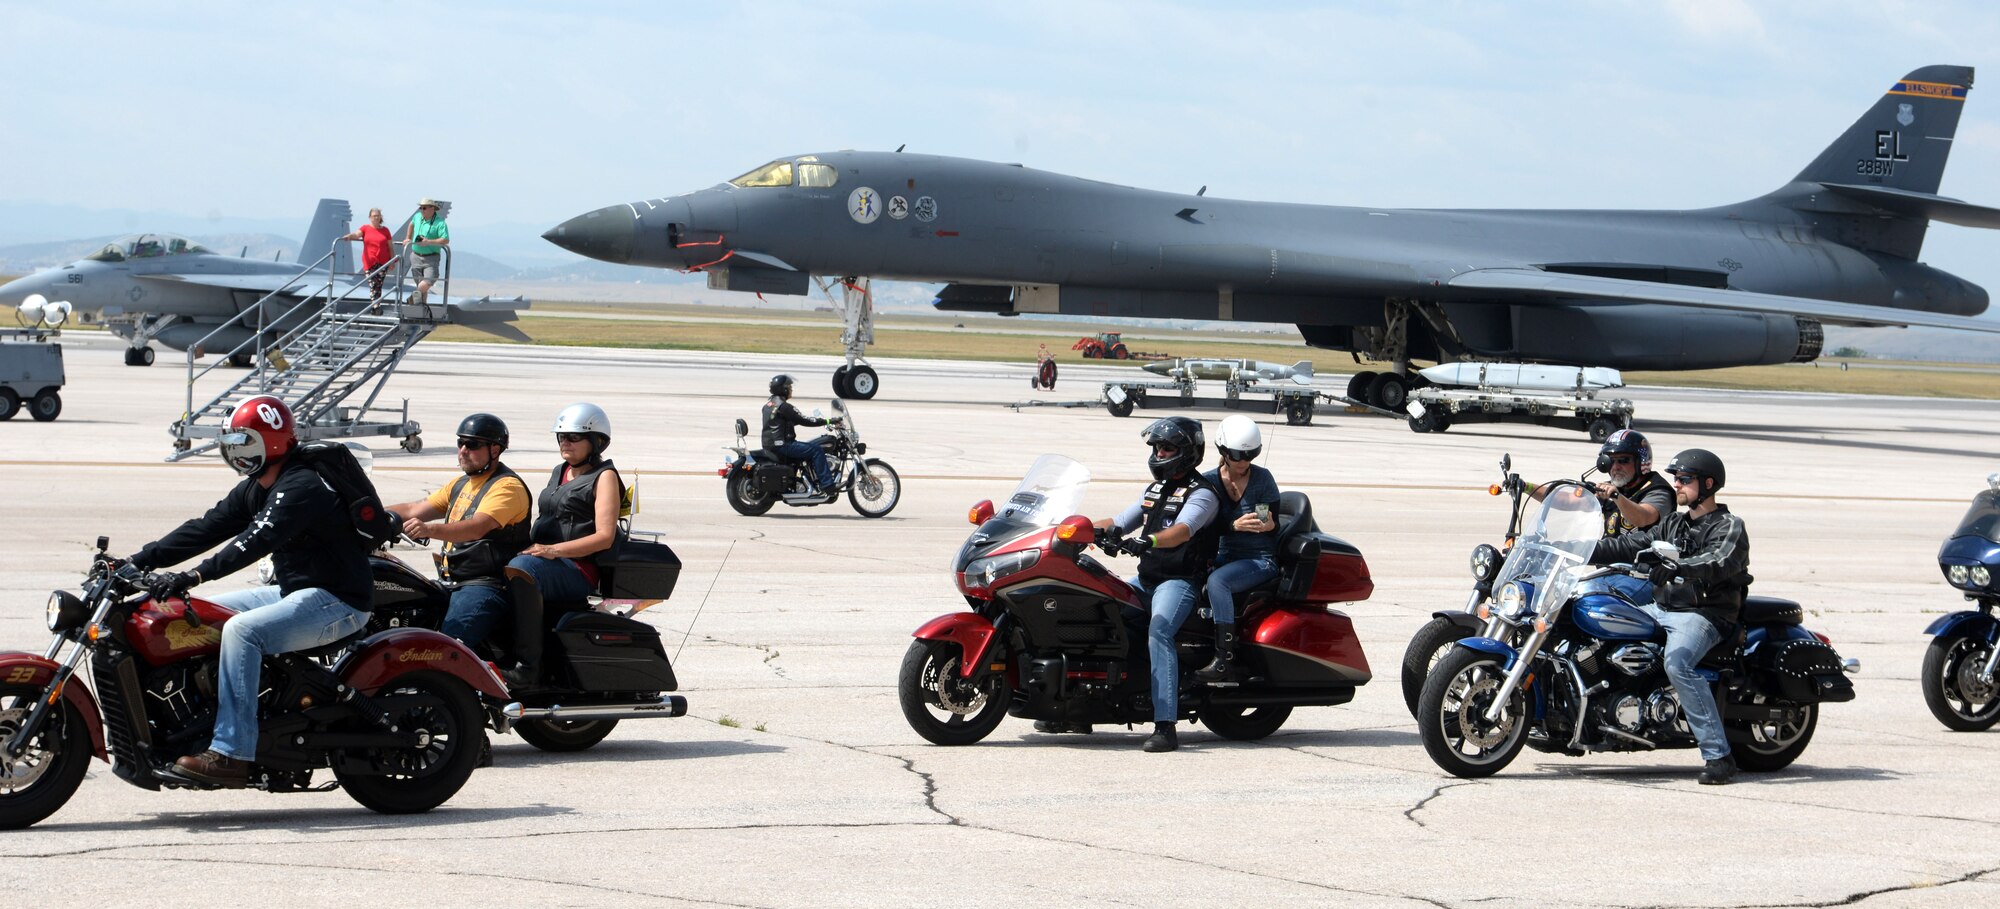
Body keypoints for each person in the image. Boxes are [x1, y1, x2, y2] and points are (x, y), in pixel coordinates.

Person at [126, 395, 372, 787]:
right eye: (233, 444)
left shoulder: (301, 486)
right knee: (198, 614)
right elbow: (207, 526)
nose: (236, 452)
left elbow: (254, 540)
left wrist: (192, 575)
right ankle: (196, 722)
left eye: (245, 443)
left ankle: (231, 752)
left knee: (243, 630)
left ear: (272, 443)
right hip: (294, 592)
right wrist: (138, 560)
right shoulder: (258, 486)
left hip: (337, 601)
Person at [1589, 449, 1750, 786]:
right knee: (1600, 627)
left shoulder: (1729, 526)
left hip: (1703, 615)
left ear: (1708, 484)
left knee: (1678, 663)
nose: (1676, 484)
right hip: (1661, 608)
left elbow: (1718, 560)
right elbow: (1633, 544)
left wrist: (1677, 566)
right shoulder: (1673, 523)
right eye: (1675, 478)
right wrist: (1579, 548)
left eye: (1684, 479)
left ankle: (1718, 755)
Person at [1089, 416, 1222, 753]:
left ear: (1187, 452)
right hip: (1146, 580)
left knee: (1159, 631)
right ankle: (1082, 710)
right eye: (1156, 448)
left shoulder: (1202, 494)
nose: (1159, 453)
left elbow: (1183, 530)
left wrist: (1147, 542)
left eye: (1166, 448)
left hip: (1179, 583)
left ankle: (1165, 725)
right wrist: (1076, 529)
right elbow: (1119, 522)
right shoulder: (1154, 490)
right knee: (1101, 613)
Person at [500, 403, 624, 687]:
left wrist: (552, 550)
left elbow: (604, 536)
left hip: (577, 567)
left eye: (573, 437)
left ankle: (528, 666)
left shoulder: (604, 477)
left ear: (596, 441)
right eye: (561, 437)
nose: (564, 442)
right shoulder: (560, 470)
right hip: (545, 560)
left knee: (522, 568)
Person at [385, 413, 531, 655]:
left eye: (472, 445)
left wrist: (430, 529)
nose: (463, 450)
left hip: (484, 584)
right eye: (460, 443)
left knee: (443, 650)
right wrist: (366, 514)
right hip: (451, 580)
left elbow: (477, 527)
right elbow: (414, 509)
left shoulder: (507, 487)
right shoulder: (461, 484)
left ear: (495, 450)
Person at [1535, 428, 1674, 602]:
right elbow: (1566, 501)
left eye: (1623, 460)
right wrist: (1525, 487)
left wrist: (1617, 497)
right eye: (1611, 461)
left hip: (1642, 578)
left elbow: (1643, 516)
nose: (1616, 467)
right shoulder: (1612, 488)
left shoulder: (1657, 490)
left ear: (1641, 462)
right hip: (1608, 571)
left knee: (1591, 600)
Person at [1195, 415, 1281, 682]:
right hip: (1223, 554)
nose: (1243, 462)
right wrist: (1232, 525)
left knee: (1218, 582)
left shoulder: (1262, 479)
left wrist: (1267, 525)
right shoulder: (1208, 481)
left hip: (1258, 558)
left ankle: (1225, 658)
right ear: (1223, 451)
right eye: (1237, 455)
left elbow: (1268, 518)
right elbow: (1204, 524)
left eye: (1249, 455)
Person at [761, 374, 839, 496]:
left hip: (771, 445)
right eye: (789, 387)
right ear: (783, 389)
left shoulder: (768, 405)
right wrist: (828, 421)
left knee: (809, 448)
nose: (791, 389)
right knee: (817, 450)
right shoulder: (784, 406)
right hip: (783, 445)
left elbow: (783, 423)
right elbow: (804, 420)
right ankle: (828, 485)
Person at [340, 207, 396, 304]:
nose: (376, 218)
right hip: (369, 262)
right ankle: (375, 306)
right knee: (372, 283)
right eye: (374, 216)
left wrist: (392, 261)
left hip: (383, 262)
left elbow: (390, 247)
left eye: (378, 216)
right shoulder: (365, 228)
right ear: (370, 217)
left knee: (378, 285)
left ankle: (376, 307)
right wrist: (349, 236)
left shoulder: (385, 230)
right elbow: (356, 235)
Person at [409, 198, 449, 305]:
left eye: (424, 208)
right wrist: (408, 238)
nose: (422, 210)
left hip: (431, 257)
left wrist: (429, 242)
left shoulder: (440, 223)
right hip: (415, 256)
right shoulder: (417, 217)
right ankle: (420, 307)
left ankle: (412, 298)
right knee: (420, 284)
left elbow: (445, 239)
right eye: (420, 208)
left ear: (432, 209)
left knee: (429, 280)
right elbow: (411, 224)